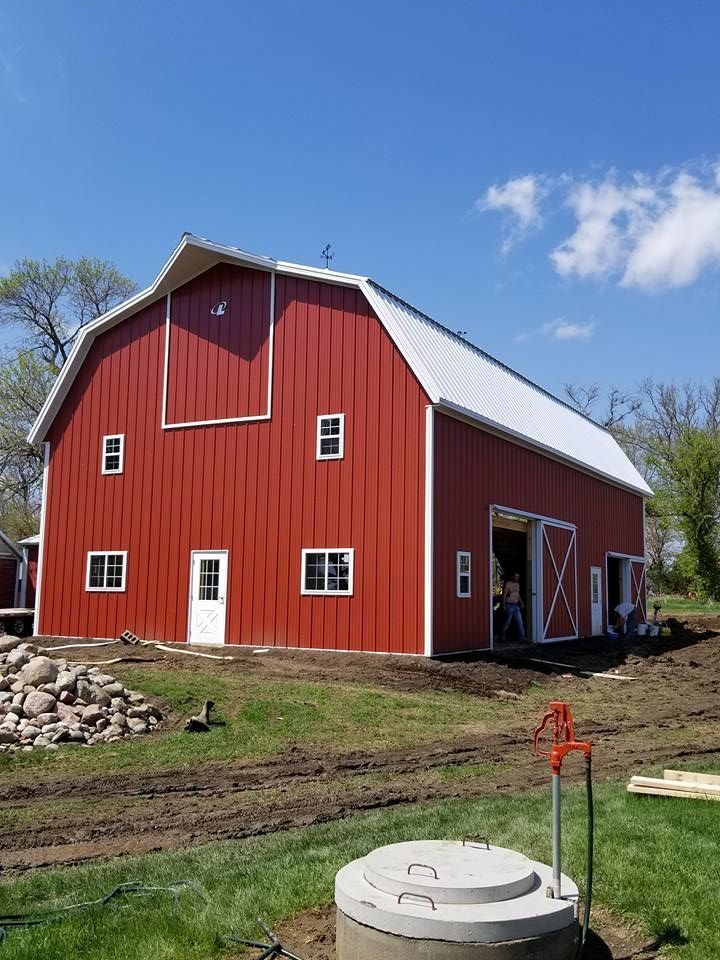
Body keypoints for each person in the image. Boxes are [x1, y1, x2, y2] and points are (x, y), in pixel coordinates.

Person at [501, 571, 527, 643]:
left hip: (516, 606)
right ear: (512, 577)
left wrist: (521, 602)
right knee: (507, 622)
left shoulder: (517, 584)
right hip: (509, 606)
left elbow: (517, 595)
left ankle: (522, 638)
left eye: (518, 576)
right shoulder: (508, 584)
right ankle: (502, 637)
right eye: (515, 576)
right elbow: (504, 595)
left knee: (520, 622)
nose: (517, 578)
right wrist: (503, 605)